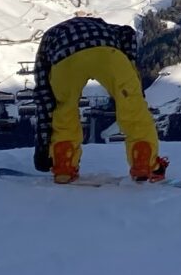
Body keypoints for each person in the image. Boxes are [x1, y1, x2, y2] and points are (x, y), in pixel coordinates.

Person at [30, 13, 169, 185]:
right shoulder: (111, 29)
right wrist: (134, 88)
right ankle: (145, 163)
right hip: (109, 53)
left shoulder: (50, 37)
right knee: (133, 108)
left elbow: (44, 96)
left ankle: (64, 164)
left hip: (65, 58)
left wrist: (43, 147)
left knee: (64, 109)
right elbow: (129, 36)